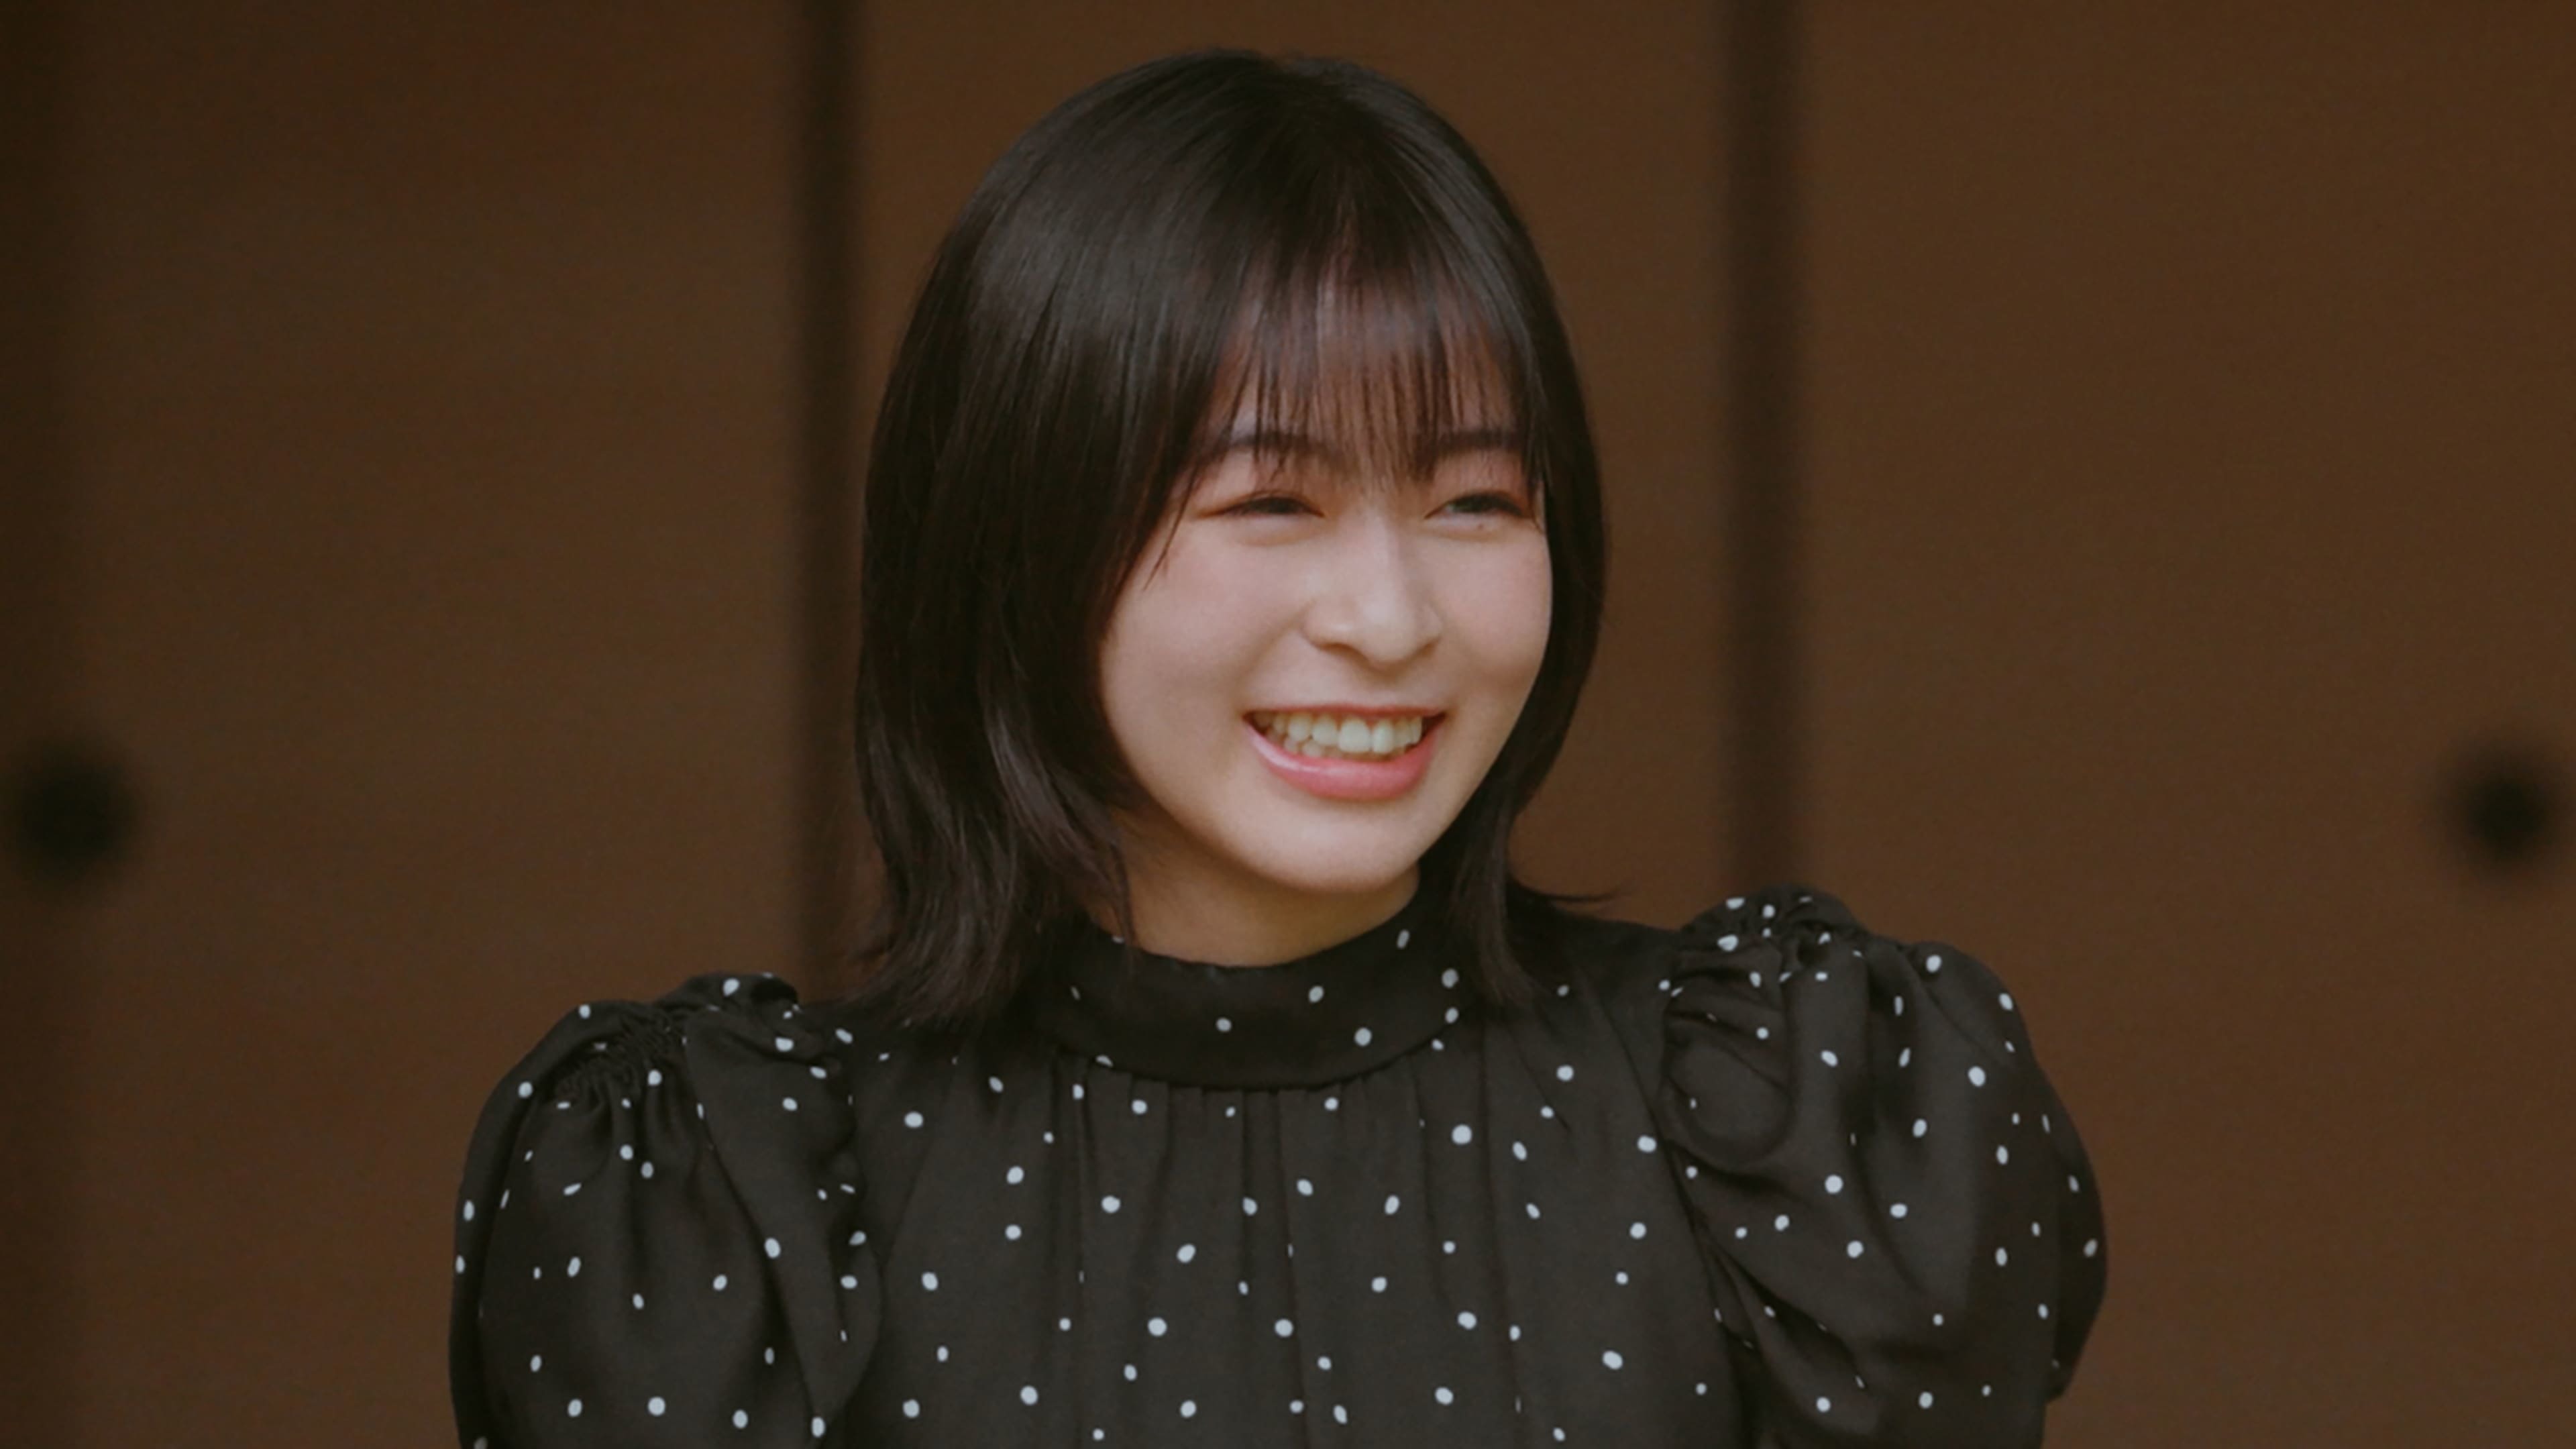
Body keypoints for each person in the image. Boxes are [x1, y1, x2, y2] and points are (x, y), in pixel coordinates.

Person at [447, 47, 2106, 1447]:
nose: (1389, 617)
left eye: (1475, 499)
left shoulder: (1786, 1124)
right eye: (1271, 502)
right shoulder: (717, 1200)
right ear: (1018, 540)